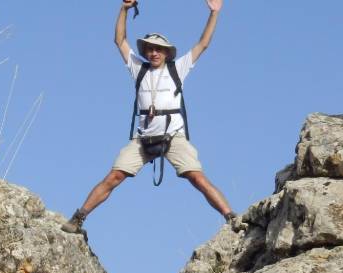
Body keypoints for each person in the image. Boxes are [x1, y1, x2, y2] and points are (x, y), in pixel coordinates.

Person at [61, 0, 242, 234]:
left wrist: (214, 14)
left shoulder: (178, 68)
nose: (154, 52)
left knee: (197, 178)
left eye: (158, 49)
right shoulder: (139, 69)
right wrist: (124, 9)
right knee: (114, 176)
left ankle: (230, 217)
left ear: (167, 53)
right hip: (144, 137)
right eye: (150, 49)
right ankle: (78, 218)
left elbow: (203, 44)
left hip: (173, 135)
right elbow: (120, 40)